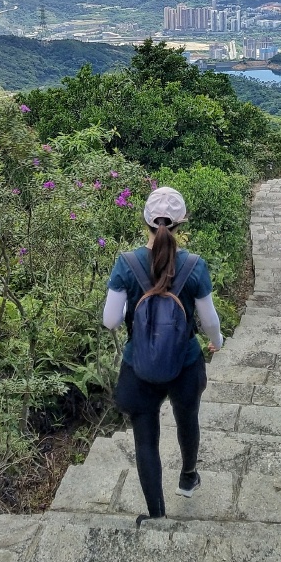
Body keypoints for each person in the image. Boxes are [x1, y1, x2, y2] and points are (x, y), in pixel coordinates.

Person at [102, 186, 223, 522]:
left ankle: (156, 515)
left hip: (139, 364)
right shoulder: (194, 266)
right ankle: (187, 477)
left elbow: (110, 320)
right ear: (181, 223)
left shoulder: (126, 263)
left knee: (145, 439)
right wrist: (218, 341)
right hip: (184, 362)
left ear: (146, 223)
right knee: (188, 420)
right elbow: (209, 319)